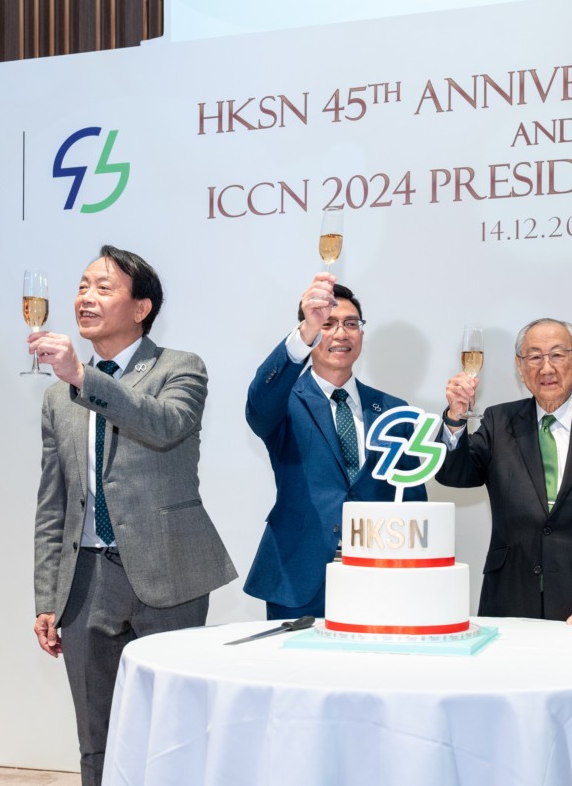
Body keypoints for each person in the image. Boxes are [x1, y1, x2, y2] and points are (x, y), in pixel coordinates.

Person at [30, 245, 237, 786]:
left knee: (174, 731)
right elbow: (53, 503)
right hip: (85, 580)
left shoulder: (179, 367)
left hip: (170, 574)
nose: (85, 297)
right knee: (96, 736)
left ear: (141, 307)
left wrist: (84, 378)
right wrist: (47, 596)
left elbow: (165, 425)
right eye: (82, 286)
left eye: (103, 287)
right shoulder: (57, 398)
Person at [436, 318, 572, 625]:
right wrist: (455, 418)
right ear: (520, 366)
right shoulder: (499, 422)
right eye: (535, 357)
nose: (546, 368)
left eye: (557, 355)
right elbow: (454, 475)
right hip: (509, 600)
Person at [244, 272, 426, 620]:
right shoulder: (284, 401)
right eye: (327, 324)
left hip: (381, 576)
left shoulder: (393, 410)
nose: (341, 333)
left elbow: (411, 497)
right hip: (299, 575)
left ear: (362, 333)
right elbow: (258, 403)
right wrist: (304, 332)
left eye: (351, 324)